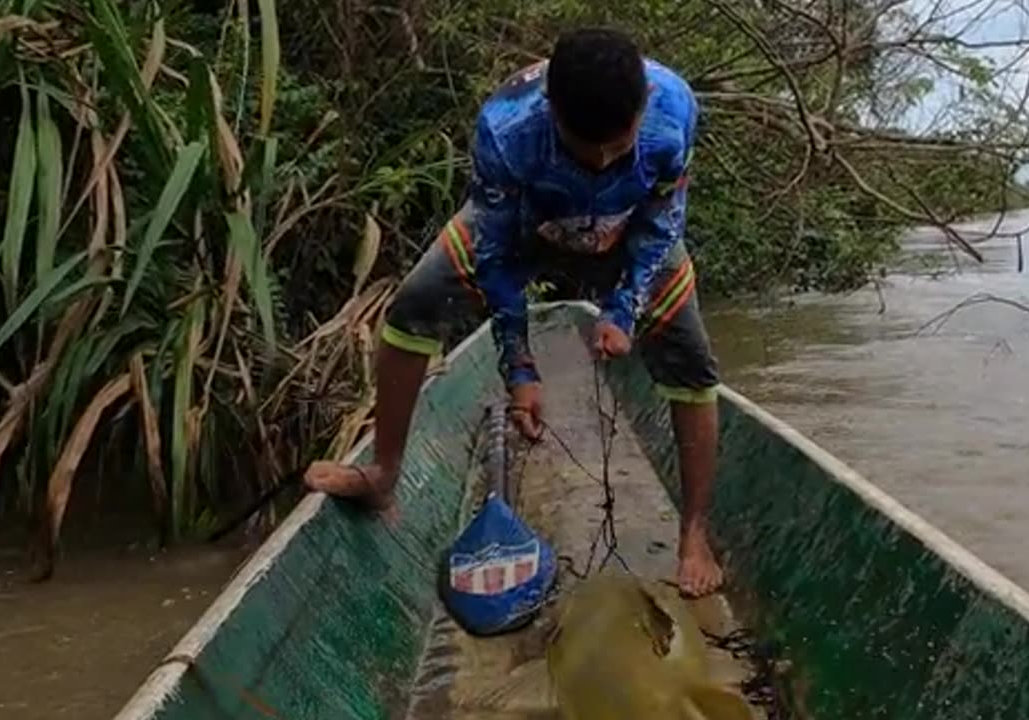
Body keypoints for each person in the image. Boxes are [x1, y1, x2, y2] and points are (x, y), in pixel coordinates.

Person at [304, 27, 724, 597]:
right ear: (552, 113)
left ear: (643, 110)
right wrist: (519, 369)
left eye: (618, 148)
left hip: (630, 235)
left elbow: (662, 220)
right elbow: (497, 259)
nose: (602, 161)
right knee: (413, 308)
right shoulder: (507, 131)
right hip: (530, 228)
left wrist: (622, 310)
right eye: (585, 148)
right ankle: (382, 474)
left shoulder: (674, 111)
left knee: (694, 362)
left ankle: (694, 532)